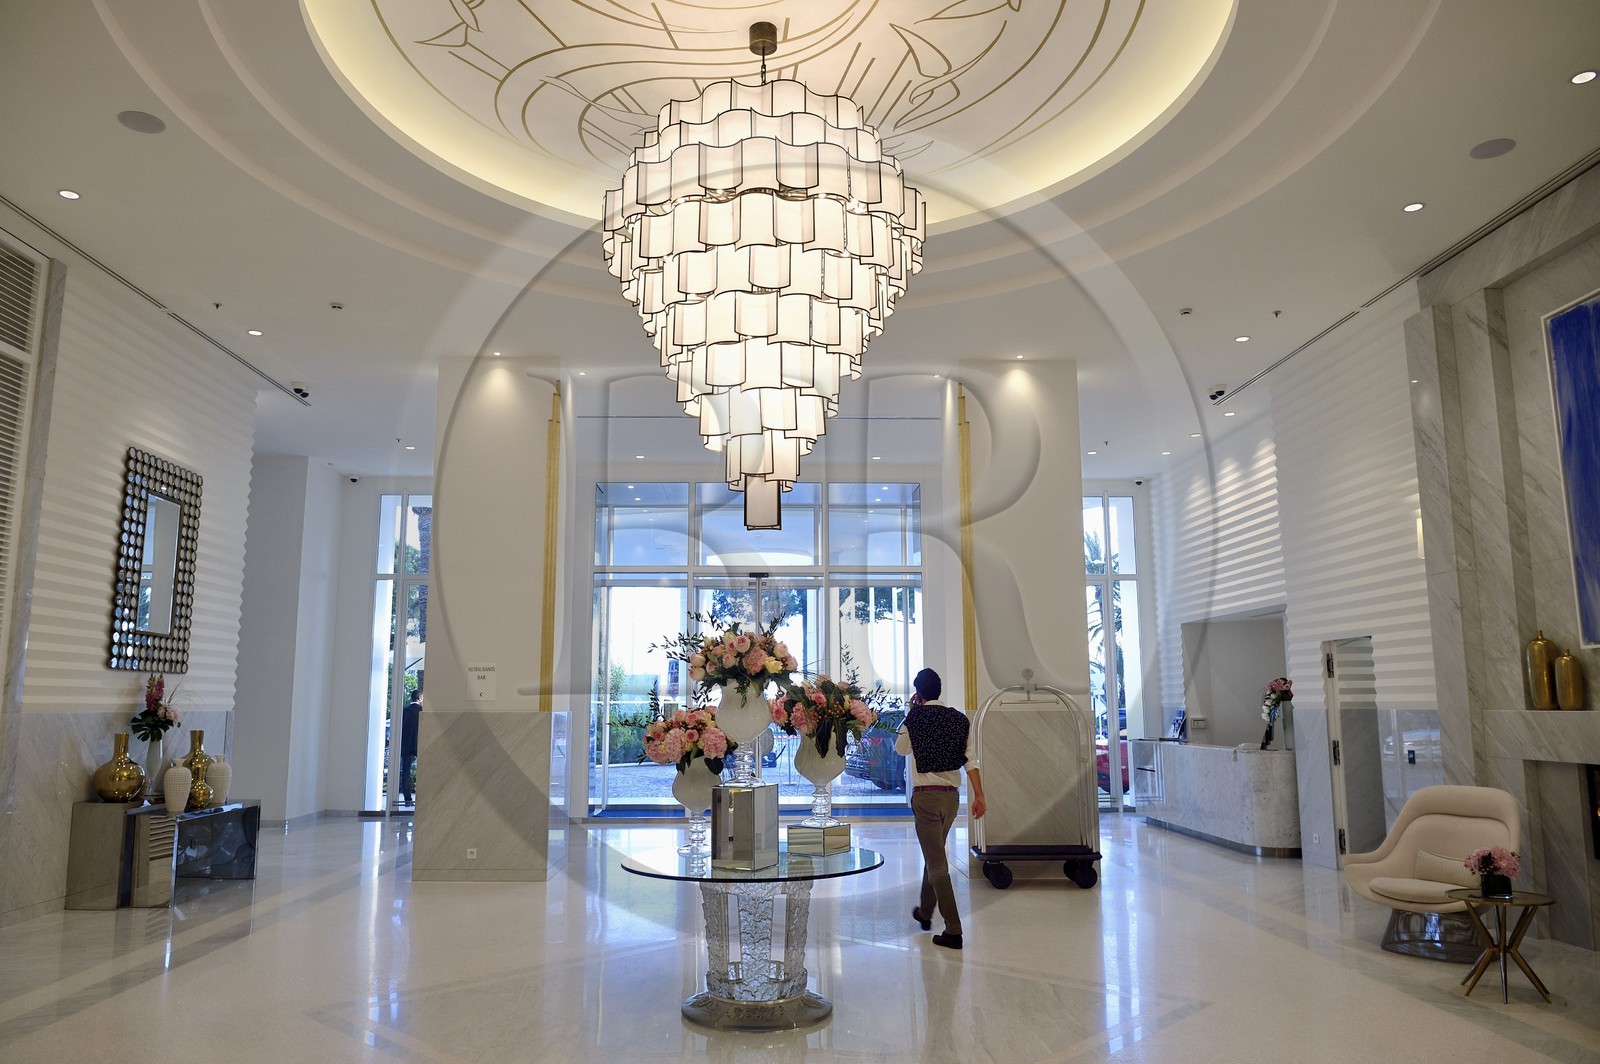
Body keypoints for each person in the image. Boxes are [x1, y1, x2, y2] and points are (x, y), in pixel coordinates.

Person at [895, 668, 985, 950]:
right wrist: (979, 796)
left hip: (926, 799)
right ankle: (924, 912)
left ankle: (954, 929)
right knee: (934, 854)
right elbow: (971, 761)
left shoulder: (914, 718)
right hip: (951, 799)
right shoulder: (959, 719)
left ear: (918, 693)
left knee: (936, 862)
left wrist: (911, 713)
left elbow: (901, 749)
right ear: (939, 690)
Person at [400, 689, 422, 804]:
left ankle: (407, 799)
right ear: (419, 698)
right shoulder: (422, 711)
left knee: (405, 773)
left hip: (406, 745)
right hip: (419, 744)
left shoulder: (405, 711)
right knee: (423, 770)